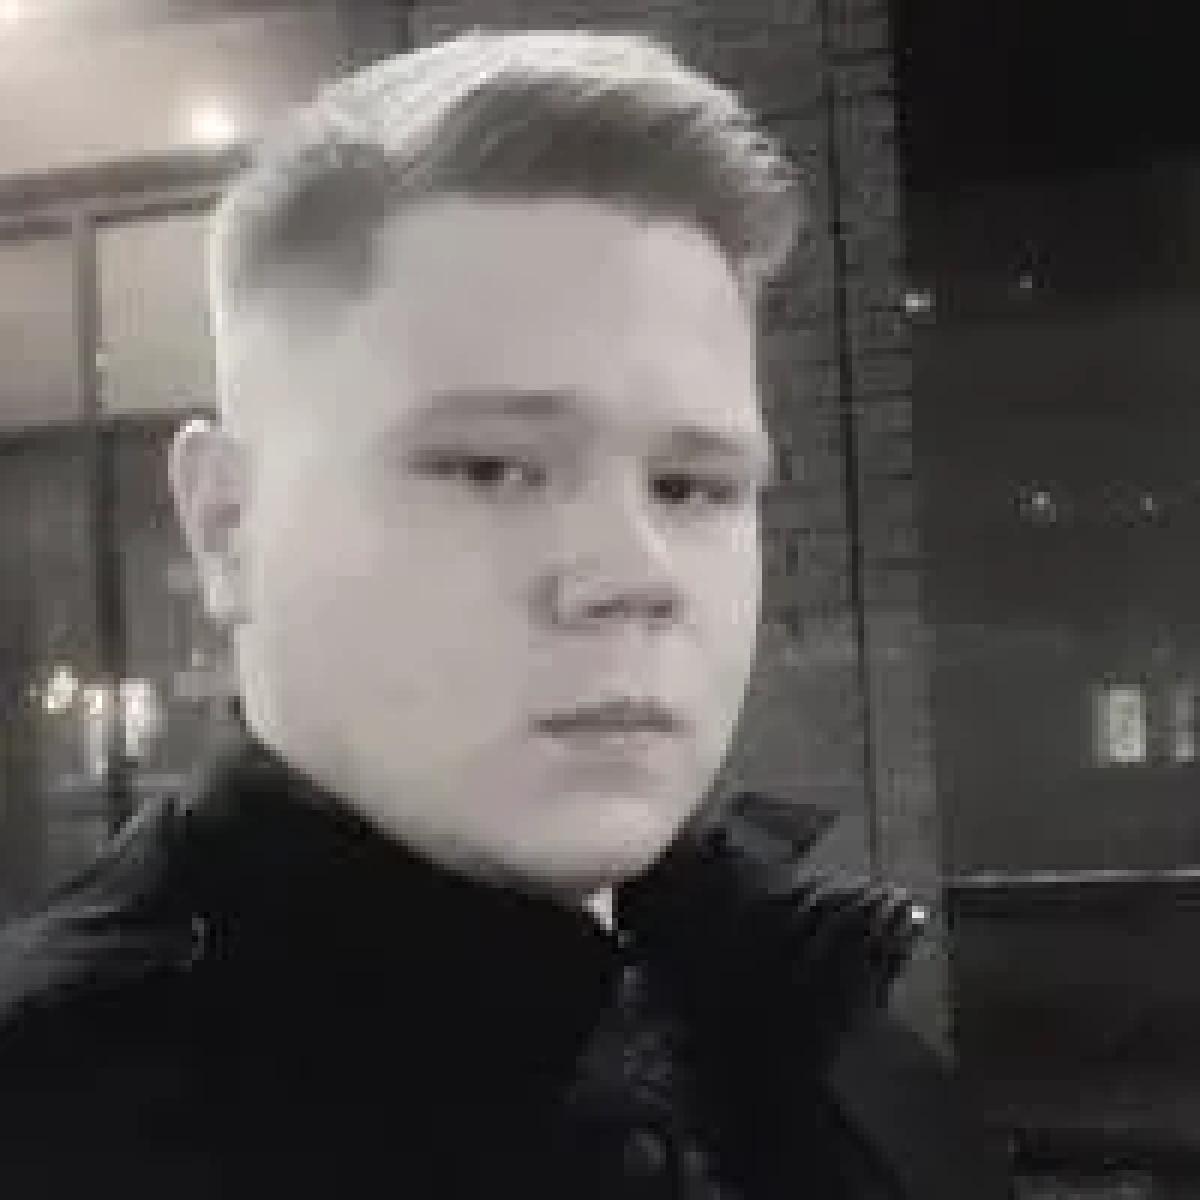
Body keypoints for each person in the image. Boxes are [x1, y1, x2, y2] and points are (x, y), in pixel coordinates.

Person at [0, 28, 1011, 1199]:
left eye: (692, 485)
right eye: (492, 469)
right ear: (226, 523)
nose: (634, 574)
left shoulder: (835, 1043)